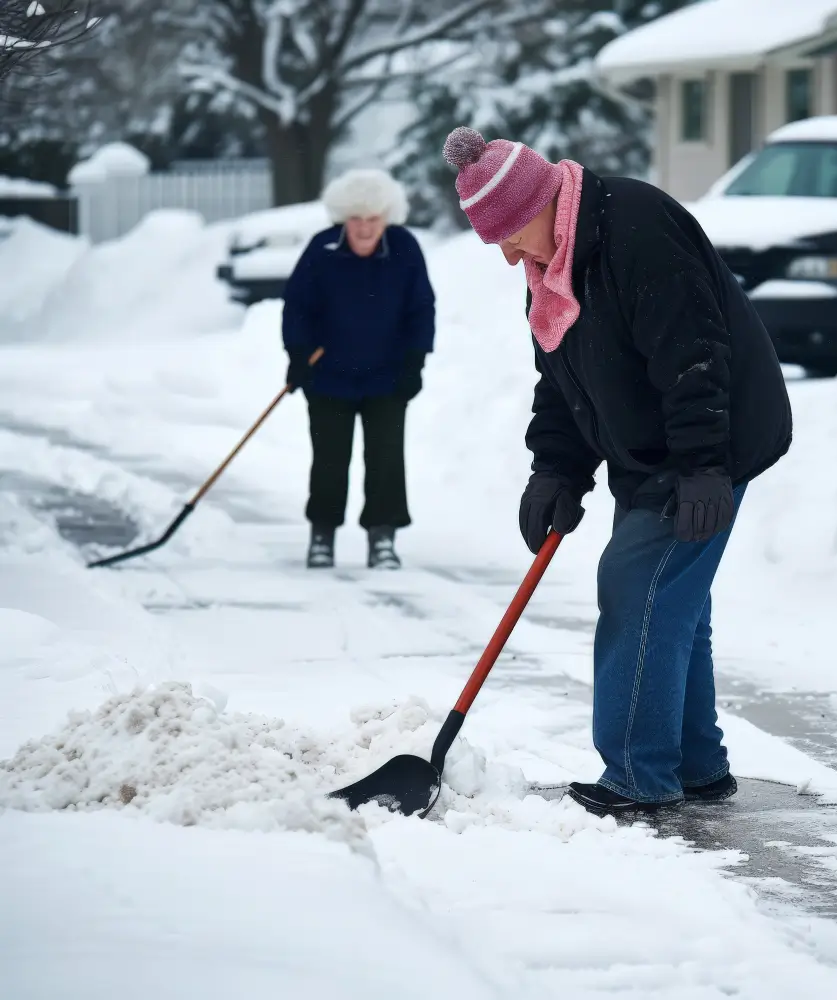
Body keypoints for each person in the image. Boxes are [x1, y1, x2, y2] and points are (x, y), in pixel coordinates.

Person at [442, 127, 793, 817]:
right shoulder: (553, 269)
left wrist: (702, 469)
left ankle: (638, 771)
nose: (509, 253)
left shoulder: (637, 229)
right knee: (672, 602)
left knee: (638, 586)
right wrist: (556, 471)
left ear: (543, 204)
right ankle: (695, 766)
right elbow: (566, 379)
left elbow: (695, 356)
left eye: (511, 234)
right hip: (651, 448)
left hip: (709, 438)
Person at [281, 168, 435, 570]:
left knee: (385, 458)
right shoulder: (322, 249)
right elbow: (297, 305)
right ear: (342, 219)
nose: (365, 229)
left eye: (373, 220)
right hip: (327, 374)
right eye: (357, 220)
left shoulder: (403, 247)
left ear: (387, 218)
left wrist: (415, 362)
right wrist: (298, 355)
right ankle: (322, 535)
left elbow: (420, 309)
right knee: (330, 458)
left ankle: (382, 536)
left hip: (387, 376)